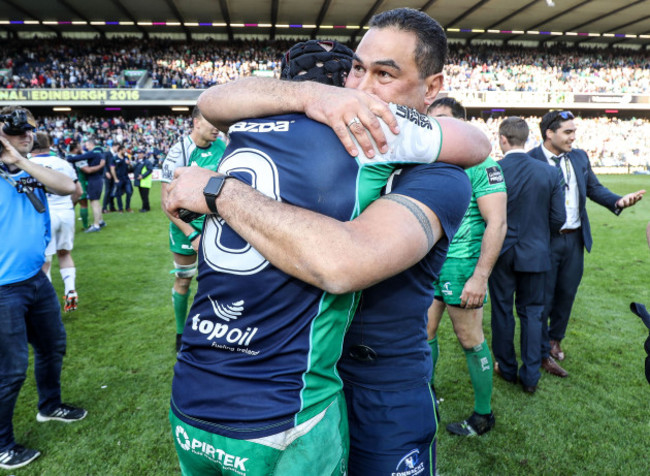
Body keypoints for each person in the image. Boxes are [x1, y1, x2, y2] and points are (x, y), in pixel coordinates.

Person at [165, 11, 488, 474]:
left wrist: (219, 191)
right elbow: (213, 100)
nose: (360, 87)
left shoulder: (438, 174)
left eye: (384, 74)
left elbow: (343, 262)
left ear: (432, 88)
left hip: (378, 381)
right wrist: (311, 94)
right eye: (357, 68)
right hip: (296, 375)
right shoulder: (327, 135)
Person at [0, 107, 86, 471]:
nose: (27, 136)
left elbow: (69, 188)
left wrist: (19, 159)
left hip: (35, 278)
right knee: (11, 369)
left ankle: (49, 406)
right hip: (4, 288)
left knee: (53, 347)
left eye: (30, 131)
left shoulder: (35, 168)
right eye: (17, 132)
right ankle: (2, 445)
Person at [528, 110, 645, 375]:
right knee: (542, 296)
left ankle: (554, 340)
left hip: (575, 240)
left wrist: (617, 200)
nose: (573, 137)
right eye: (568, 132)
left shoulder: (579, 157)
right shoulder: (530, 160)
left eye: (574, 131)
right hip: (544, 241)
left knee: (566, 294)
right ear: (549, 133)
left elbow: (593, 188)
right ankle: (540, 350)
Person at [425, 97, 507, 436]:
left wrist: (479, 276)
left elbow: (498, 223)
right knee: (423, 334)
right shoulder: (429, 160)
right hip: (429, 264)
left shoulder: (481, 163)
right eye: (431, 120)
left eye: (444, 119)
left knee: (470, 339)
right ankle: (426, 397)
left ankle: (483, 415)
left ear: (462, 123)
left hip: (462, 267)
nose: (437, 126)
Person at [489, 117, 566, 394]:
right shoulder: (548, 172)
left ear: (503, 139)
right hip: (535, 251)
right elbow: (559, 218)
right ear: (528, 139)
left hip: (499, 251)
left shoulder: (493, 170)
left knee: (502, 310)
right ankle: (531, 376)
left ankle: (507, 368)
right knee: (533, 314)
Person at [160, 108, 227, 352]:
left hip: (216, 227)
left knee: (217, 283)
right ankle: (181, 334)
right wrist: (192, 234)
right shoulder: (179, 150)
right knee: (184, 280)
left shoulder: (224, 147)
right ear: (196, 122)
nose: (217, 126)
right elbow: (166, 205)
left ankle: (213, 333)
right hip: (186, 231)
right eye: (212, 121)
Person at [30, 132, 82, 312]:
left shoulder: (29, 164)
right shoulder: (63, 163)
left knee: (45, 259)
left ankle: (49, 300)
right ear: (49, 144)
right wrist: (70, 206)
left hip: (44, 214)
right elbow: (78, 191)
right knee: (65, 253)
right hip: (65, 212)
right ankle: (71, 291)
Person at [69, 137, 106, 233]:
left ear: (90, 144)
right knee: (92, 202)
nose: (84, 147)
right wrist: (101, 166)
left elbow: (87, 169)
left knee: (93, 202)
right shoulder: (99, 152)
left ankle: (96, 225)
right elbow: (87, 169)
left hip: (86, 181)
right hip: (88, 181)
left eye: (86, 145)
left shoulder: (93, 153)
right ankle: (99, 222)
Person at [110, 144, 133, 213]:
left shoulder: (126, 157)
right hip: (118, 178)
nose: (125, 151)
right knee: (118, 194)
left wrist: (129, 163)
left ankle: (127, 207)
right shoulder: (114, 158)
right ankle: (120, 209)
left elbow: (130, 166)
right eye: (124, 150)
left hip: (126, 178)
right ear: (120, 150)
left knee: (129, 192)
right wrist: (115, 179)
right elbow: (112, 169)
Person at [102, 141, 117, 214]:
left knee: (112, 191)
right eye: (117, 147)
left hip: (113, 175)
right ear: (114, 146)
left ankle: (112, 207)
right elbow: (103, 164)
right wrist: (106, 172)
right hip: (107, 175)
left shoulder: (115, 154)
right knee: (107, 191)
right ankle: (104, 208)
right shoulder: (107, 153)